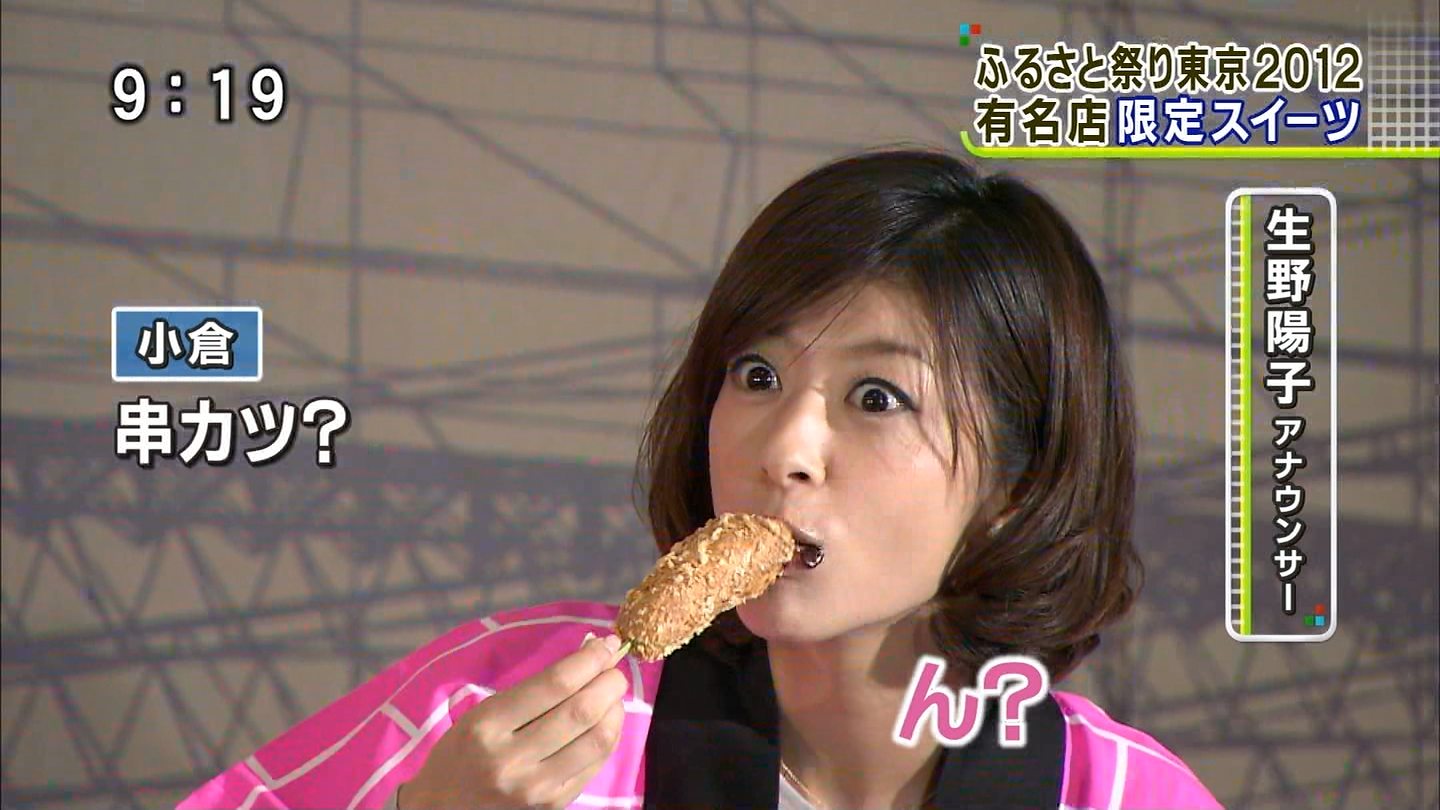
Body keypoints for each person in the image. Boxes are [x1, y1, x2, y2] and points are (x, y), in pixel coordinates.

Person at [178, 147, 1223, 810]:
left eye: (877, 397)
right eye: (756, 375)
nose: (785, 446)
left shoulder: (1123, 793)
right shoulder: (496, 702)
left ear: (1015, 482)